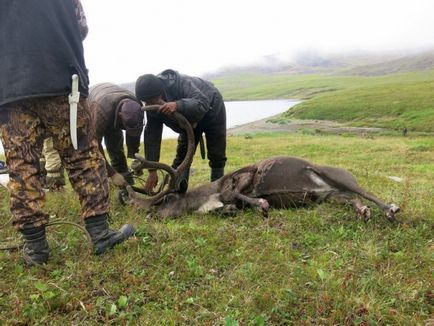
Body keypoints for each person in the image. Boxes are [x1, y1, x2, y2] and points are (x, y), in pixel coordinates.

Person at [0, 0, 135, 266]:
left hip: (11, 90)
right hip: (63, 84)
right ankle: (100, 234)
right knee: (83, 157)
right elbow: (81, 28)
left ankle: (36, 249)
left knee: (21, 167)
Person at [135, 69, 227, 193]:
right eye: (146, 102)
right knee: (183, 155)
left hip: (212, 106)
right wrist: (152, 170)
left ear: (160, 94)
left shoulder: (181, 83)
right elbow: (152, 136)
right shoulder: (151, 104)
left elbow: (202, 102)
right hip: (188, 122)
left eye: (152, 101)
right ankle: (178, 191)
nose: (149, 104)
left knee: (217, 153)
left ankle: (217, 190)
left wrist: (177, 105)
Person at [88, 83, 144, 187]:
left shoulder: (137, 106)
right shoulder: (100, 112)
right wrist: (112, 173)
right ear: (120, 116)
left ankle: (126, 185)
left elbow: (134, 133)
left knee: (116, 148)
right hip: (92, 102)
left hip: (111, 103)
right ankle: (100, 185)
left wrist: (135, 157)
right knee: (89, 155)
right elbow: (94, 145)